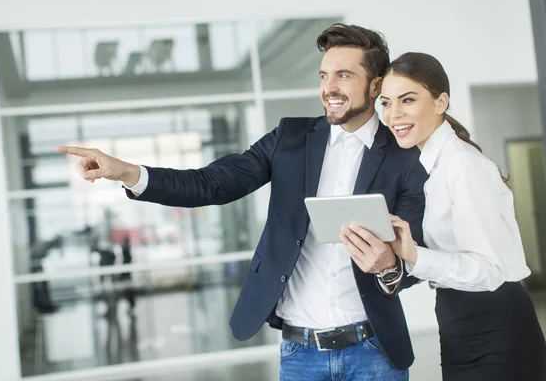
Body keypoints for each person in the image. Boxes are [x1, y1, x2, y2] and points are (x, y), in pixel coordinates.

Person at [57, 24, 428, 380]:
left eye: (343, 75)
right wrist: (126, 172)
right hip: (301, 354)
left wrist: (389, 266)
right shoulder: (290, 138)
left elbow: (418, 252)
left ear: (376, 84)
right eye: (323, 76)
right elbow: (210, 184)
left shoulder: (404, 155)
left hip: (374, 351)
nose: (329, 87)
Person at [340, 52, 546, 380]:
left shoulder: (462, 165)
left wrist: (414, 255)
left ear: (441, 102)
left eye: (407, 100)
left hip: (496, 327)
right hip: (458, 323)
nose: (394, 115)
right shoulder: (432, 168)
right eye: (386, 103)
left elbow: (489, 271)